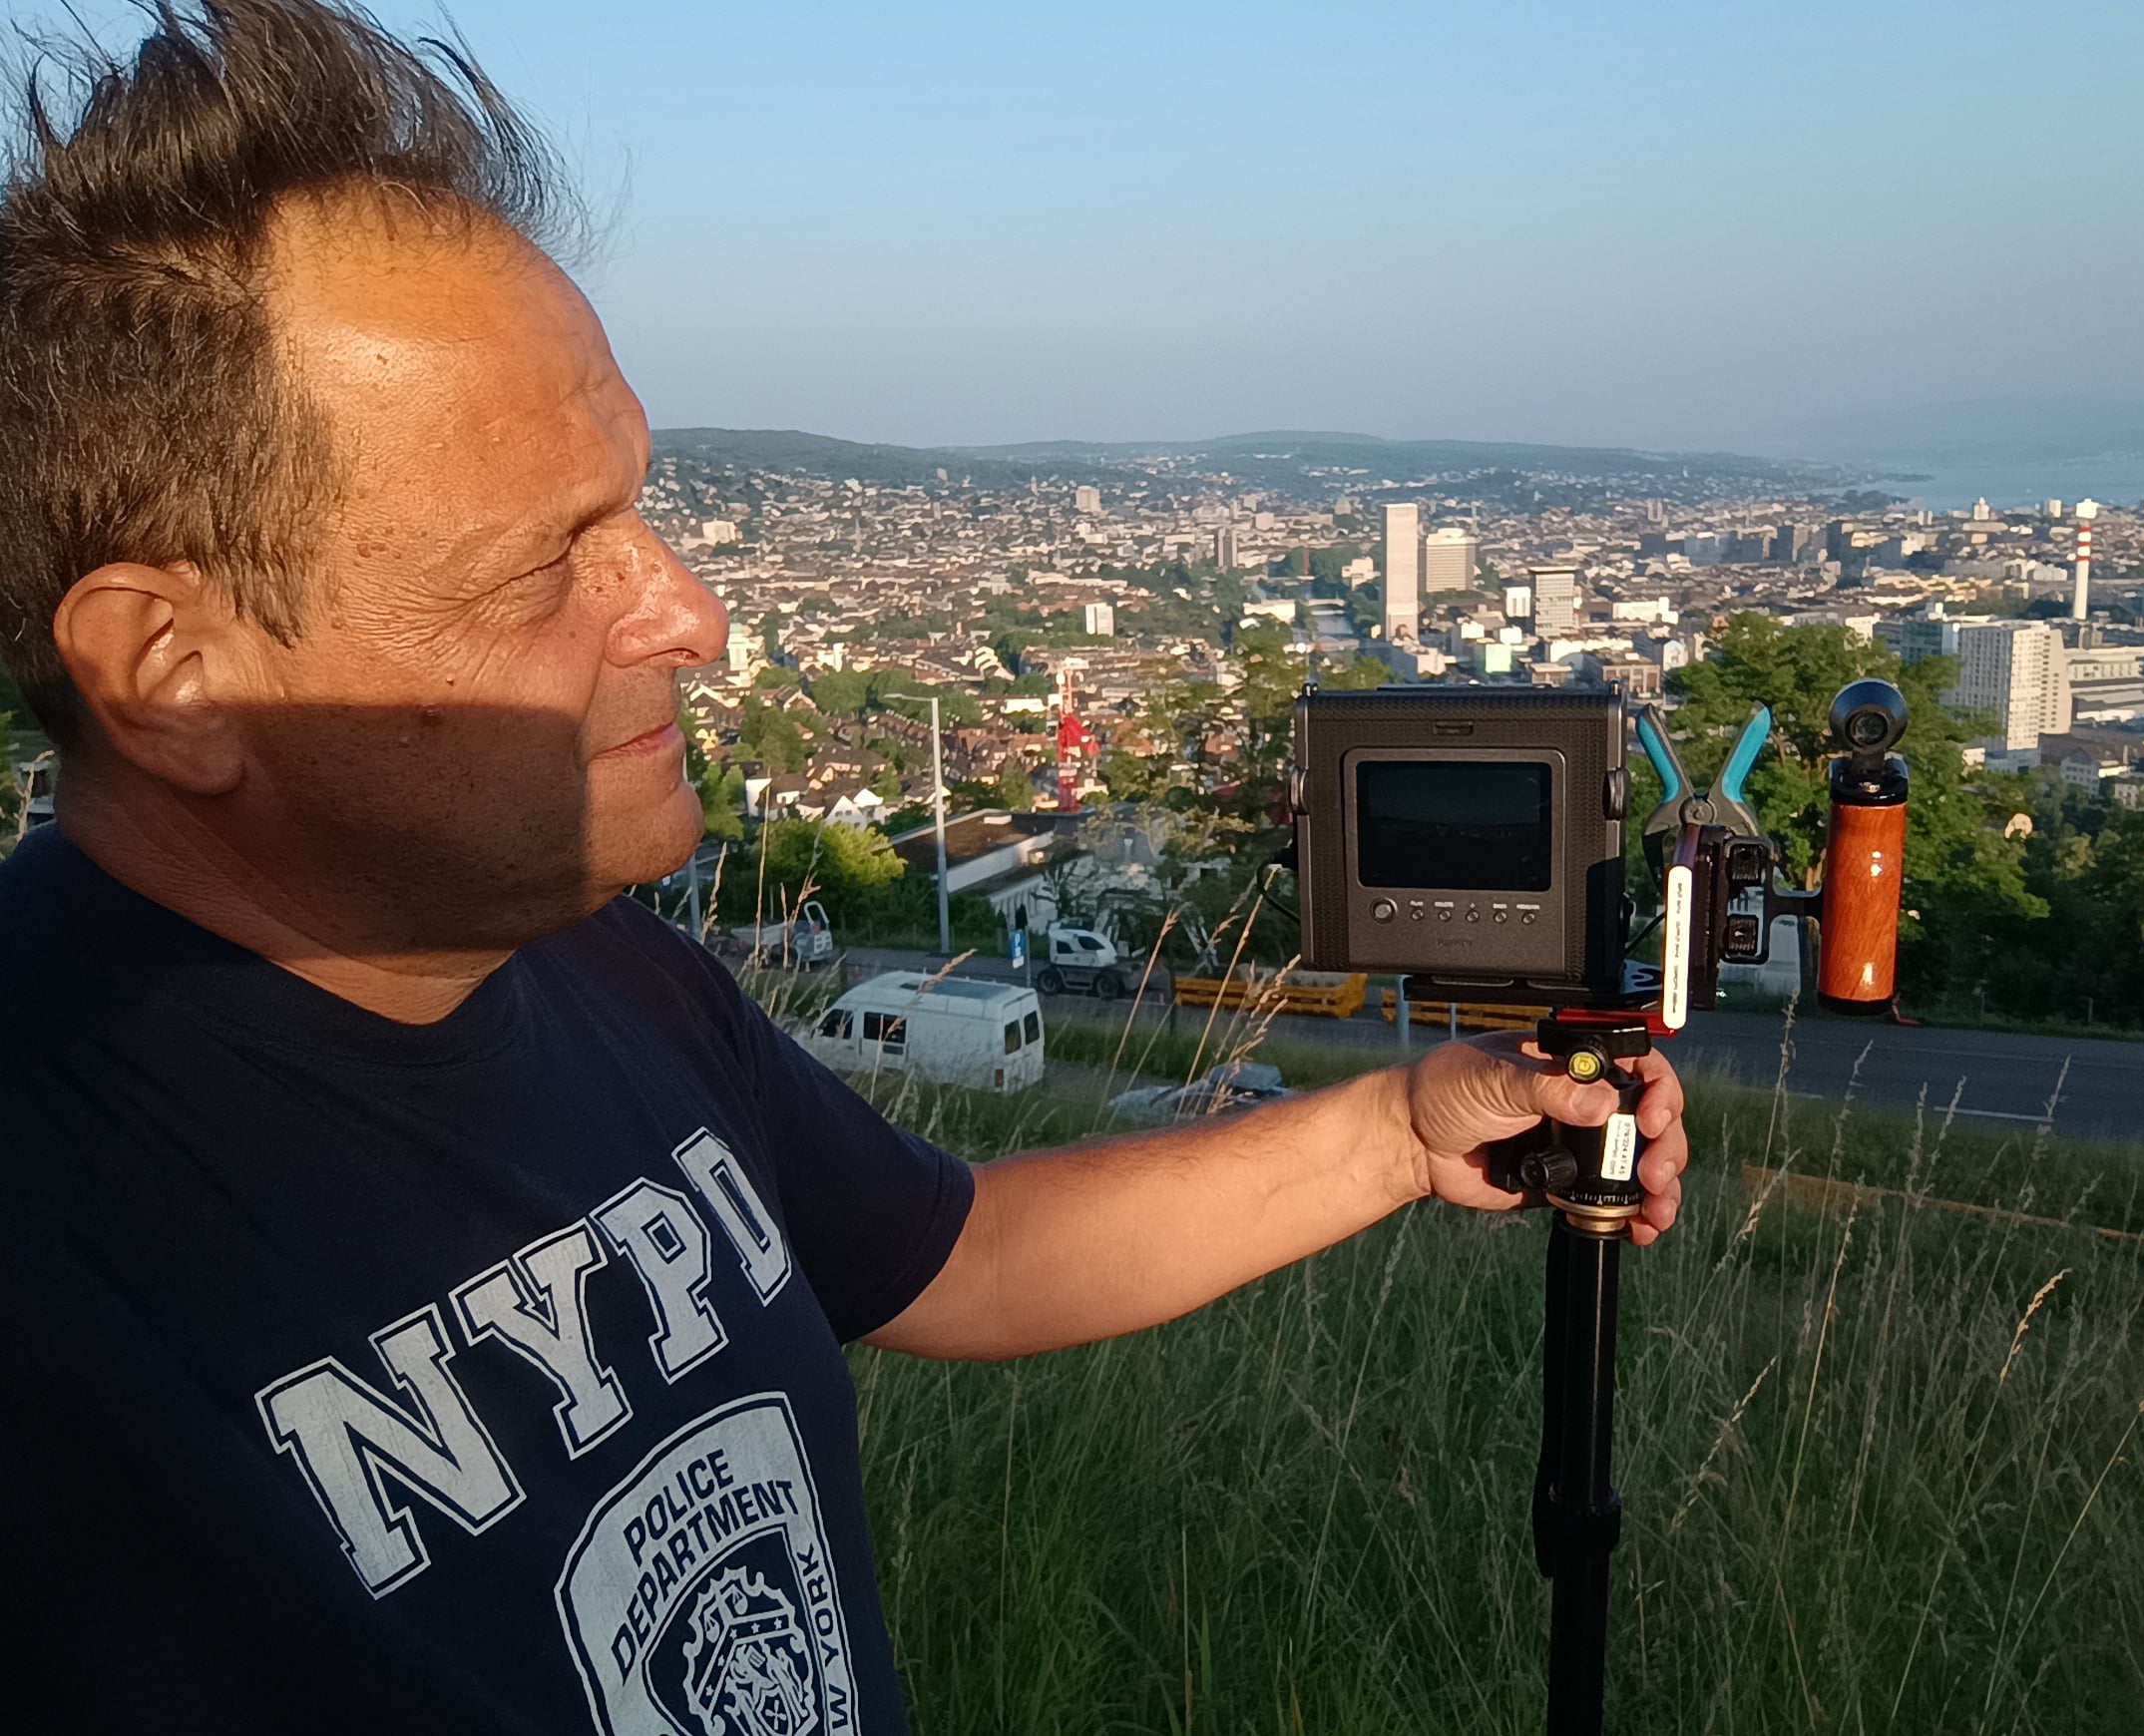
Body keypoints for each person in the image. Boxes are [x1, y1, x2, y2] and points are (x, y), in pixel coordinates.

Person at [0, 3, 1689, 1730]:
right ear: (173, 671)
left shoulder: (601, 966)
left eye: (641, 515)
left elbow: (960, 1262)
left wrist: (1396, 1131)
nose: (693, 617)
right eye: (546, 563)